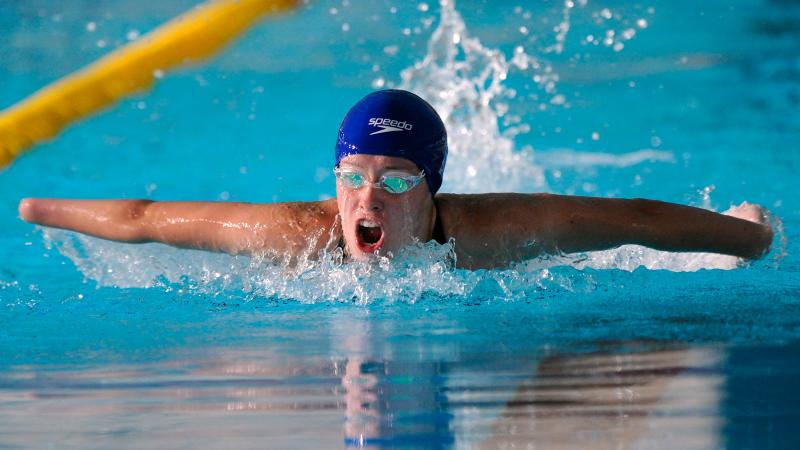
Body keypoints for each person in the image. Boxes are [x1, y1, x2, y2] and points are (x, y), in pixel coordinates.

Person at [17, 89, 773, 270]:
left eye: (397, 182)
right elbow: (146, 215)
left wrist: (748, 238)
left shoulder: (493, 232)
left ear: (433, 187)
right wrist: (36, 206)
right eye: (353, 177)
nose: (368, 198)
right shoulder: (299, 236)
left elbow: (633, 216)